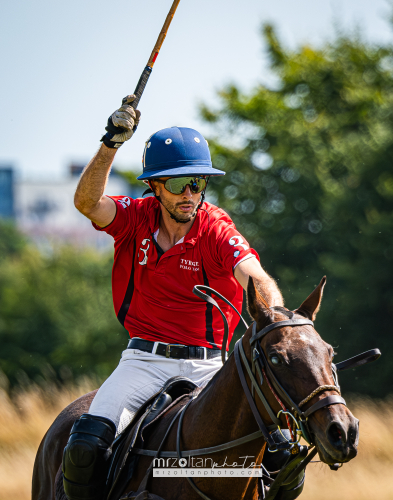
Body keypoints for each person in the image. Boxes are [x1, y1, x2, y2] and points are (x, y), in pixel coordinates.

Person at [62, 95, 284, 500]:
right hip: (142, 362)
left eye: (197, 183)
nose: (190, 194)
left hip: (207, 371)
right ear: (154, 186)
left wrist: (274, 319)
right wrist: (112, 142)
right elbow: (86, 203)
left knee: (282, 452)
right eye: (180, 184)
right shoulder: (135, 217)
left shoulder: (216, 228)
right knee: (83, 447)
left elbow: (253, 275)